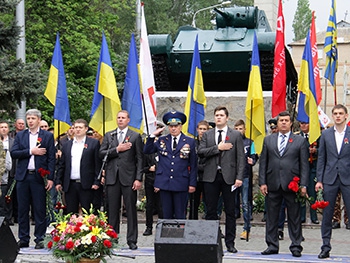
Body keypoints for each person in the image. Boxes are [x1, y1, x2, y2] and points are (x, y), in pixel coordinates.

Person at [259, 111, 309, 257]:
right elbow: (263, 163)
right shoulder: (268, 140)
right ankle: (272, 245)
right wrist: (262, 182)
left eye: (286, 120)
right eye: (281, 120)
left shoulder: (299, 141)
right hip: (273, 183)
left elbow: (304, 165)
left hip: (292, 185)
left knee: (294, 217)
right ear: (278, 122)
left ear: (291, 123)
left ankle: (296, 246)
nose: (283, 123)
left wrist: (304, 185)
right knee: (272, 217)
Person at [198, 106, 245, 253]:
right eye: (216, 115)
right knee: (210, 210)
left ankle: (230, 243)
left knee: (230, 211)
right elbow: (201, 152)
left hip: (229, 177)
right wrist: (218, 148)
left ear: (227, 118)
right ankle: (212, 241)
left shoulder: (235, 135)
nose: (218, 117)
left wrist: (239, 177)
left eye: (221, 115)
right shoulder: (208, 134)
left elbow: (240, 159)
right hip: (211, 176)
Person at [11, 109, 56, 249]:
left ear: (38, 119)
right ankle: (23, 238)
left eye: (33, 118)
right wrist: (31, 151)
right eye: (28, 118)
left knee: (39, 208)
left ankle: (39, 238)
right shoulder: (21, 135)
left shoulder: (47, 136)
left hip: (39, 177)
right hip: (23, 177)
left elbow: (51, 158)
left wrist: (50, 178)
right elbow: (14, 153)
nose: (30, 121)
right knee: (23, 209)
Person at [99, 110, 144, 250]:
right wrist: (117, 149)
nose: (120, 120)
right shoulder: (109, 135)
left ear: (128, 120)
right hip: (112, 177)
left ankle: (132, 240)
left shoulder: (135, 136)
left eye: (123, 118)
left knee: (130, 209)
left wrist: (138, 178)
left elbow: (140, 159)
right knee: (112, 210)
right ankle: (112, 238)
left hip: (129, 178)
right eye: (118, 117)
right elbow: (101, 154)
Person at [144, 111, 197, 220]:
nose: (173, 128)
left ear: (181, 126)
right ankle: (167, 236)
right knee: (166, 213)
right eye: (171, 126)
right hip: (165, 182)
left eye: (176, 126)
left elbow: (193, 164)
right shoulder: (162, 140)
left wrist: (192, 184)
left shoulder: (189, 141)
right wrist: (153, 135)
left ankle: (179, 235)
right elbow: (147, 150)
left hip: (181, 182)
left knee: (180, 213)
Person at [316, 104, 350, 259]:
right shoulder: (326, 134)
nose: (338, 116)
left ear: (346, 116)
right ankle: (325, 247)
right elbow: (321, 158)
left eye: (340, 113)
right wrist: (319, 180)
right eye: (335, 113)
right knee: (327, 215)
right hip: (329, 178)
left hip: (348, 178)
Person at [55, 119, 102, 214]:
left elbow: (97, 164)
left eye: (80, 127)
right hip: (70, 184)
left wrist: (97, 181)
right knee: (71, 213)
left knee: (87, 213)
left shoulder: (93, 143)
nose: (78, 130)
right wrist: (58, 181)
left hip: (87, 185)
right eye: (76, 127)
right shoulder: (67, 145)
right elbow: (62, 165)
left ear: (86, 129)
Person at [233, 119, 258, 240]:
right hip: (232, 177)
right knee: (232, 203)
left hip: (245, 176)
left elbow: (254, 156)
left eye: (240, 129)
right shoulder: (231, 142)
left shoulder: (249, 142)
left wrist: (252, 160)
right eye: (236, 129)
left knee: (245, 204)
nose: (238, 131)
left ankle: (246, 229)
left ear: (244, 129)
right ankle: (231, 228)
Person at [142, 121, 165, 236]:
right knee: (149, 205)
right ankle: (149, 227)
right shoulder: (148, 151)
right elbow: (142, 167)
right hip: (150, 180)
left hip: (161, 181)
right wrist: (148, 169)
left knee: (161, 206)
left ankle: (161, 227)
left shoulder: (163, 148)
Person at [298, 121, 319, 224]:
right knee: (301, 192)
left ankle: (313, 216)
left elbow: (322, 150)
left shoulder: (316, 136)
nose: (303, 125)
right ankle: (302, 216)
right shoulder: (297, 136)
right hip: (301, 168)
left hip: (312, 168)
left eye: (306, 123)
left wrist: (316, 151)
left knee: (312, 193)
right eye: (302, 123)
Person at [189, 120, 209, 220]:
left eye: (204, 129)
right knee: (193, 204)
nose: (202, 131)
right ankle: (192, 225)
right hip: (195, 177)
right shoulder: (192, 143)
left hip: (207, 177)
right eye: (200, 129)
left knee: (209, 204)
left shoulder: (210, 143)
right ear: (197, 130)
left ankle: (213, 227)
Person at [0, 120, 15, 225]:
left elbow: (9, 164)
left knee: (6, 199)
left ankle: (6, 219)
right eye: (1, 127)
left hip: (5, 177)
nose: (4, 129)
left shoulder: (12, 142)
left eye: (5, 127)